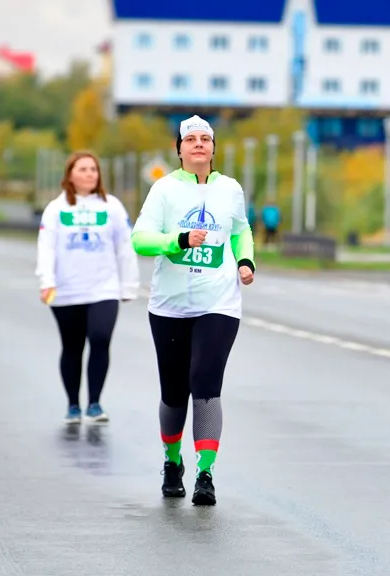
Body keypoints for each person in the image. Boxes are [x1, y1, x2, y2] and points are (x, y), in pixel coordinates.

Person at [131, 115, 256, 506]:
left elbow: (240, 229)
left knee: (205, 382)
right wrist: (177, 240)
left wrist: (245, 261)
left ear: (214, 148)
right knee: (173, 392)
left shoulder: (230, 189)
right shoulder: (164, 189)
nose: (199, 144)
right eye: (191, 140)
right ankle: (172, 462)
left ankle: (205, 473)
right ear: (180, 149)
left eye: (206, 139)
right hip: (170, 305)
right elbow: (141, 240)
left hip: (218, 302)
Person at [35, 151, 140, 425]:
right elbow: (46, 249)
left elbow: (125, 248)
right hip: (67, 291)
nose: (89, 174)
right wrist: (47, 281)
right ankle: (73, 404)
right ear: (70, 174)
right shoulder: (57, 209)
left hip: (103, 289)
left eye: (93, 169)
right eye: (83, 169)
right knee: (72, 347)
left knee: (101, 338)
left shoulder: (112, 207)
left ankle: (94, 402)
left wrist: (128, 285)